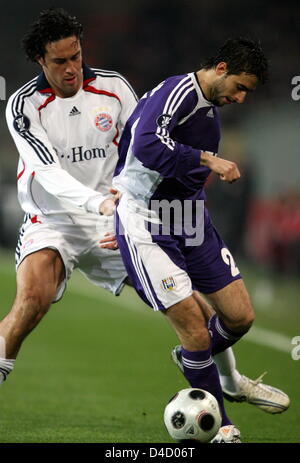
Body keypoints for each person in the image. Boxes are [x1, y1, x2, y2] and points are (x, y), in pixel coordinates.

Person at [2, 12, 287, 438]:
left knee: (195, 310)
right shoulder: (23, 105)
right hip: (56, 219)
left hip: (116, 215)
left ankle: (230, 381)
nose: (71, 68)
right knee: (31, 302)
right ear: (40, 61)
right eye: (59, 61)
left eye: (76, 56)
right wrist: (101, 204)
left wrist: (128, 209)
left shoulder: (114, 88)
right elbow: (46, 170)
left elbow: (138, 147)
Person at [113, 37, 290, 443]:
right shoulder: (178, 91)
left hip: (191, 216)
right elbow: (146, 144)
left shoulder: (210, 105)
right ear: (222, 68)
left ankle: (202, 365)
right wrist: (208, 159)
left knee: (240, 317)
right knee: (194, 327)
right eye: (241, 87)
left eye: (249, 92)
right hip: (146, 221)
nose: (242, 98)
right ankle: (223, 426)